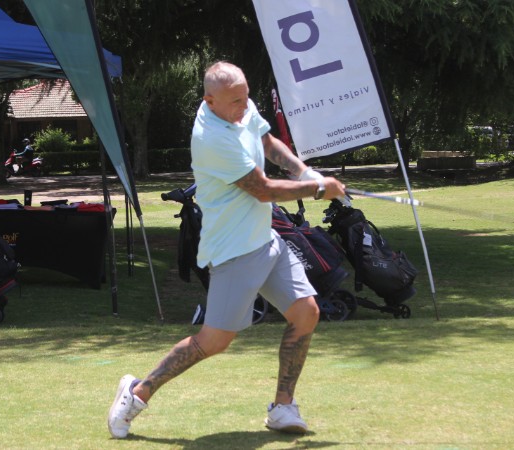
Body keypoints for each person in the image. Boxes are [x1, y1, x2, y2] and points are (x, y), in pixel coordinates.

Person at [107, 61, 346, 438]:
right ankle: (136, 393)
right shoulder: (211, 139)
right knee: (214, 341)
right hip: (234, 251)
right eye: (235, 101)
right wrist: (317, 189)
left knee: (306, 313)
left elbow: (267, 141)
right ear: (210, 101)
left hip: (266, 239)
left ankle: (283, 408)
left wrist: (303, 172)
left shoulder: (239, 105)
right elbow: (263, 189)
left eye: (246, 96)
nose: (244, 105)